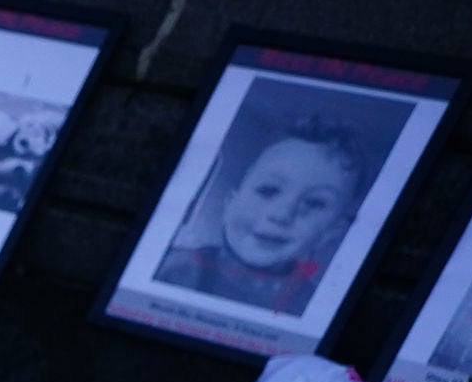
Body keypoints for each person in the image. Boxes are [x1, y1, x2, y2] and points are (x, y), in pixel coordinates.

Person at [156, 117, 368, 315]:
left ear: (331, 232)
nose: (281, 215)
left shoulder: (313, 307)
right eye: (268, 190)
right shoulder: (171, 267)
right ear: (230, 204)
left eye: (314, 203)